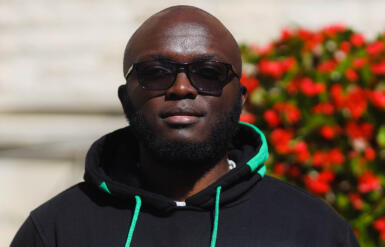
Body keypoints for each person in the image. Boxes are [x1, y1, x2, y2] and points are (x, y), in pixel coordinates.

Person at [11, 5, 360, 247]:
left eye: (209, 73)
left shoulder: (312, 229)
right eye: (155, 73)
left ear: (240, 98)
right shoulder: (56, 229)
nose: (181, 88)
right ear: (125, 99)